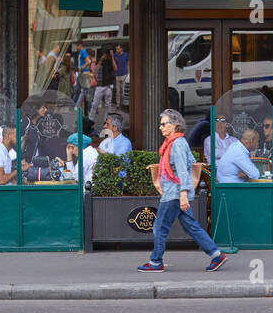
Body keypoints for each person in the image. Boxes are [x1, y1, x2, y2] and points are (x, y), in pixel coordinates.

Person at [137, 109, 227, 273]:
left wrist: (183, 194)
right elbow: (190, 163)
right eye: (161, 124)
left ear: (175, 125)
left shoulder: (176, 144)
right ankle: (216, 254)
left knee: (159, 227)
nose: (160, 127)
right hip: (177, 192)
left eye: (164, 124)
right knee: (191, 226)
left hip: (174, 193)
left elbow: (182, 170)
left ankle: (156, 262)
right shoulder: (178, 142)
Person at [89, 48, 116, 125]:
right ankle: (90, 119)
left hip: (109, 84)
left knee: (108, 104)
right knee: (94, 103)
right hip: (100, 85)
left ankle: (106, 120)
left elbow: (115, 68)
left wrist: (112, 57)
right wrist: (101, 60)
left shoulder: (111, 60)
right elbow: (95, 71)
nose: (106, 55)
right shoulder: (99, 60)